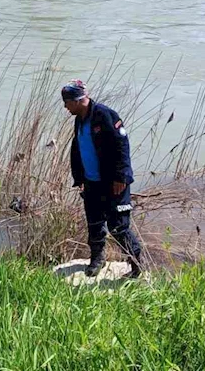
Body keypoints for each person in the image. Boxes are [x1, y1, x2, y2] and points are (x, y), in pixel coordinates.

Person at [62, 79, 142, 278]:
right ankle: (97, 260)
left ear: (78, 100)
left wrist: (121, 176)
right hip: (91, 183)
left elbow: (122, 146)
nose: (65, 107)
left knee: (118, 227)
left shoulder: (104, 115)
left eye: (67, 102)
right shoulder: (79, 119)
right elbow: (79, 148)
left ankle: (137, 263)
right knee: (95, 223)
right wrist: (79, 178)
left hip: (114, 182)